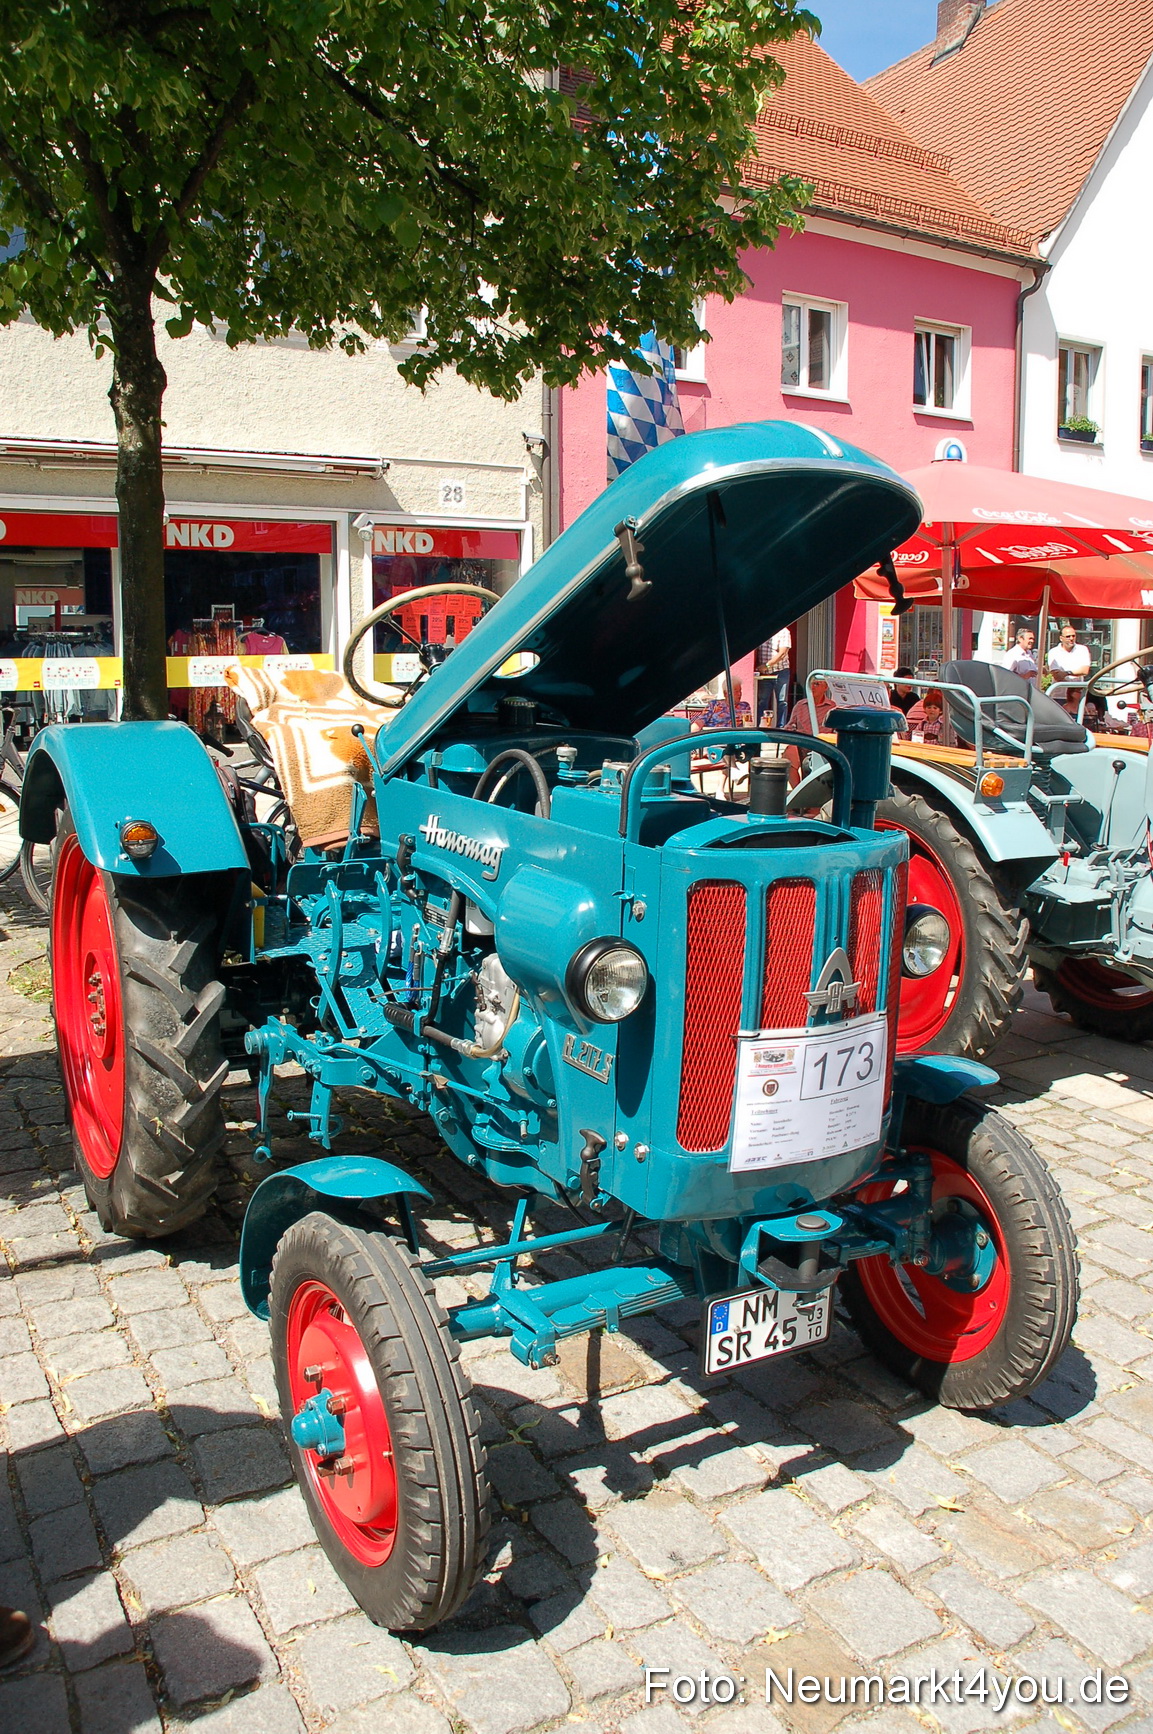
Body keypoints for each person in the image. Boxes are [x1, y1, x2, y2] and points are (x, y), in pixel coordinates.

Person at [756, 627, 792, 726]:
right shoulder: (760, 631)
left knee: (782, 702)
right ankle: (761, 727)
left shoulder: (784, 631)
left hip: (781, 671)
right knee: (762, 701)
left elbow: (782, 653)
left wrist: (767, 665)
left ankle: (781, 728)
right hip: (764, 673)